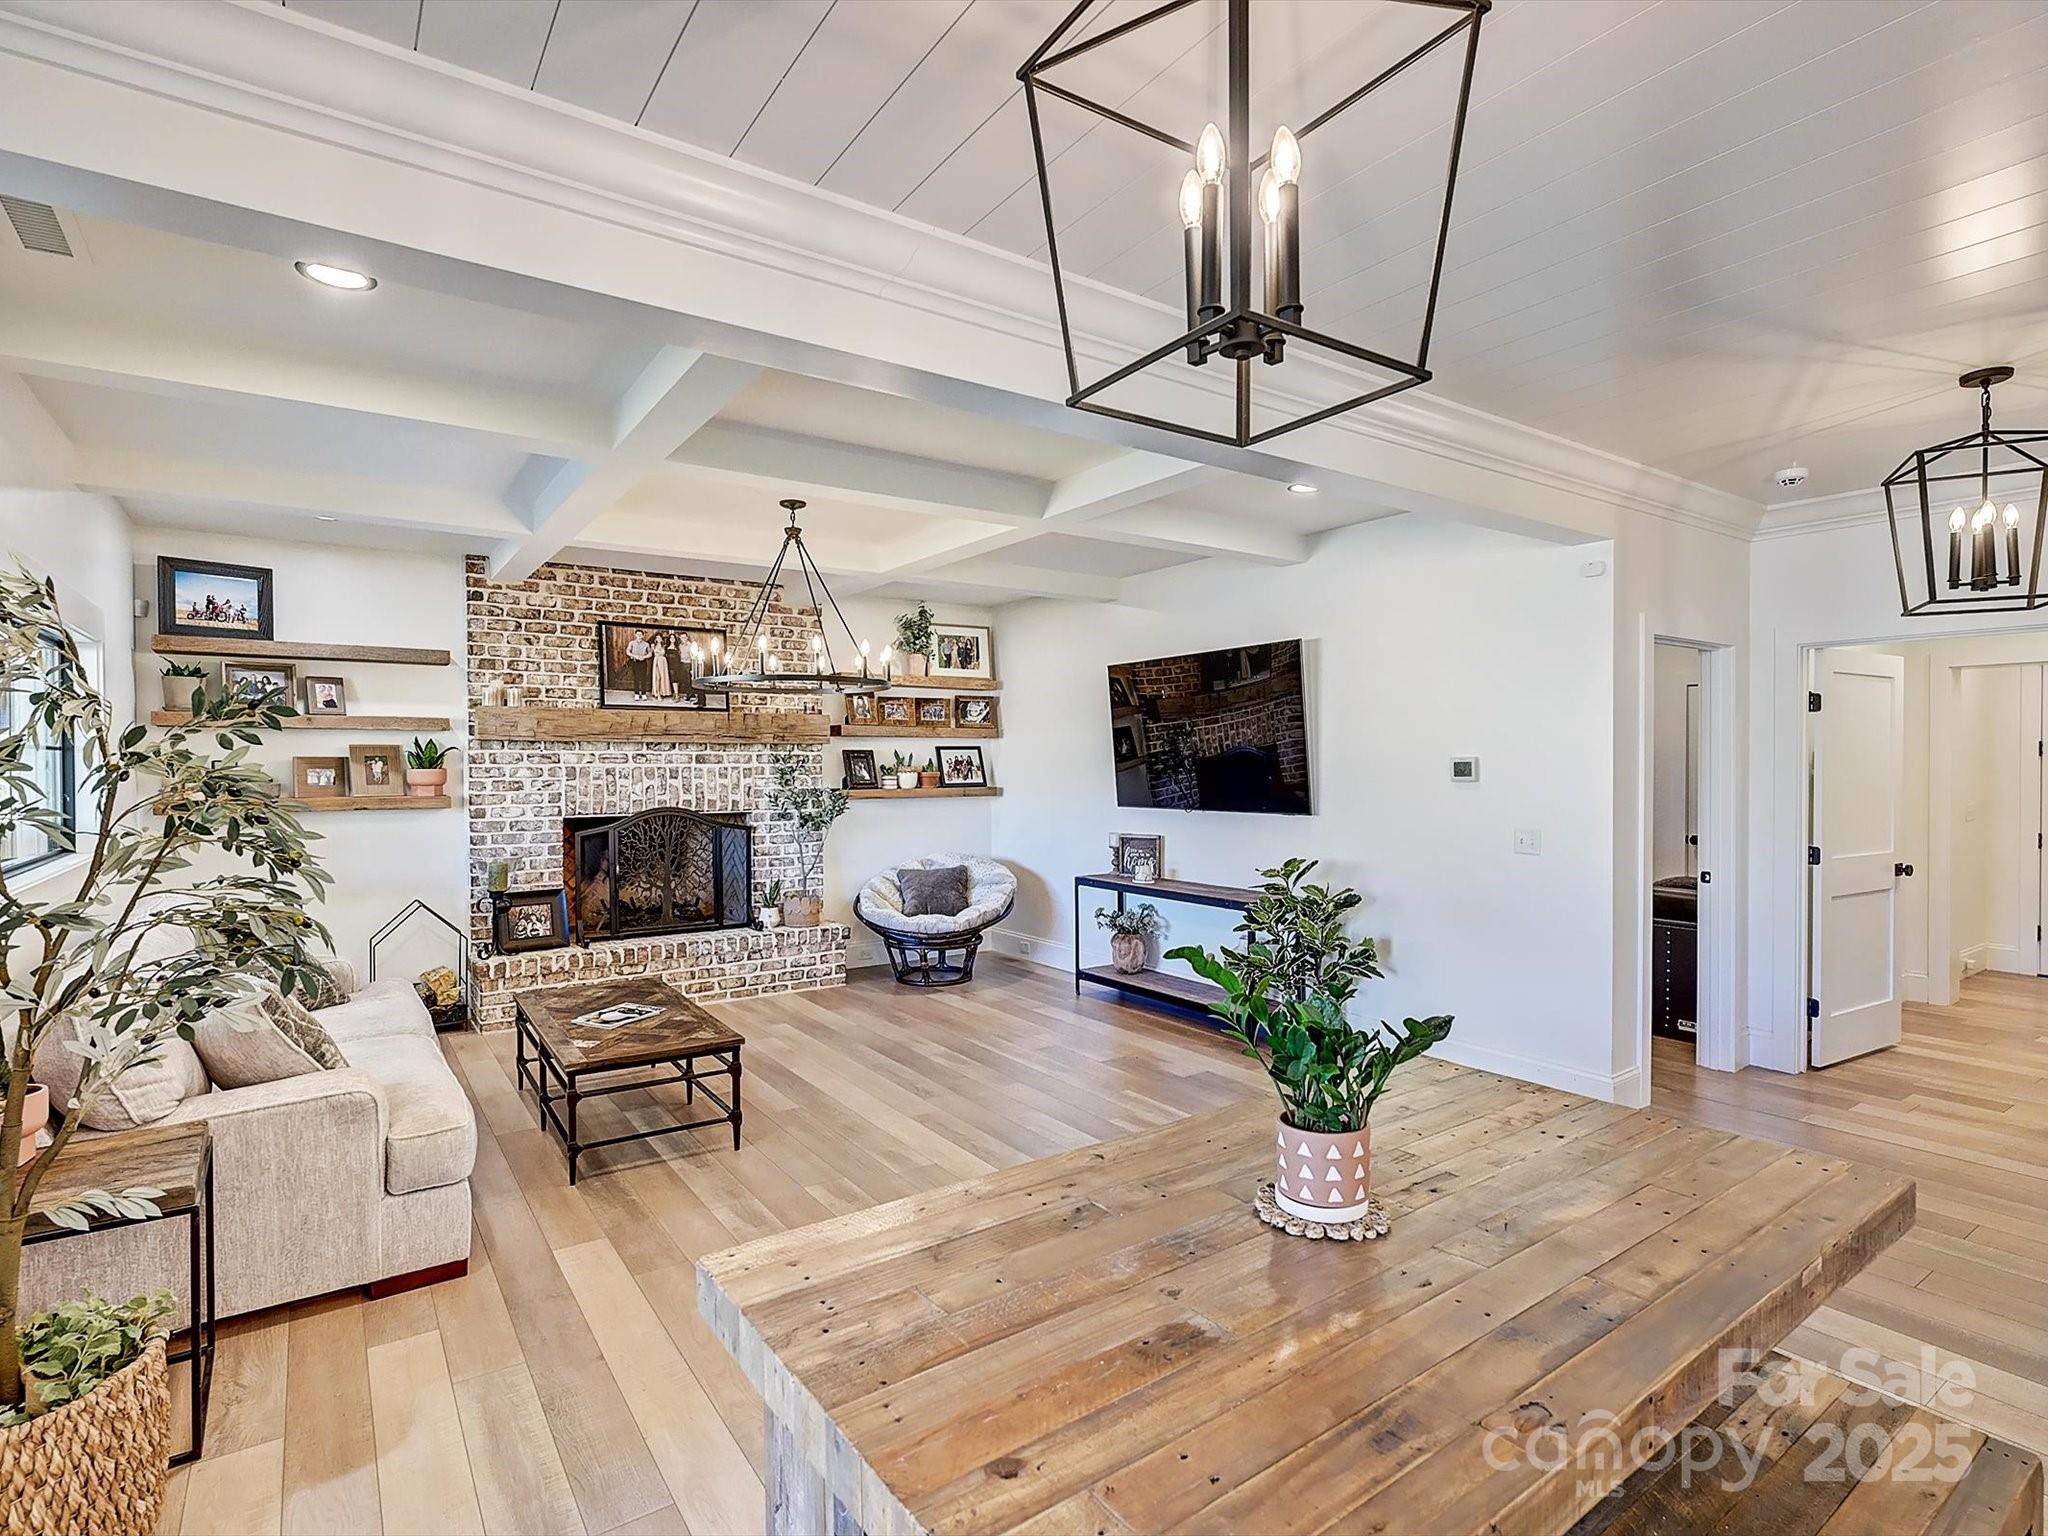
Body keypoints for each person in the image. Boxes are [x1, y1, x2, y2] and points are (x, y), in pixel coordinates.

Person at [623, 628, 654, 699]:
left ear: (643, 636)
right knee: (636, 678)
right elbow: (627, 652)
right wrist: (635, 656)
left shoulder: (646, 644)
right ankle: (636, 694)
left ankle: (643, 694)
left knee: (643, 678)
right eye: (638, 634)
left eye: (641, 634)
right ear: (635, 635)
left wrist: (644, 657)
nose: (639, 636)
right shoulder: (632, 643)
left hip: (643, 662)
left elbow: (650, 654)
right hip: (635, 662)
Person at [650, 630, 672, 701]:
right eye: (657, 637)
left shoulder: (664, 645)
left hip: (663, 661)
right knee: (657, 677)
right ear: (655, 638)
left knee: (663, 677)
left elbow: (665, 653)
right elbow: (651, 653)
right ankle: (658, 693)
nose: (658, 639)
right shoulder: (653, 645)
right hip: (657, 661)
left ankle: (663, 692)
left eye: (659, 637)